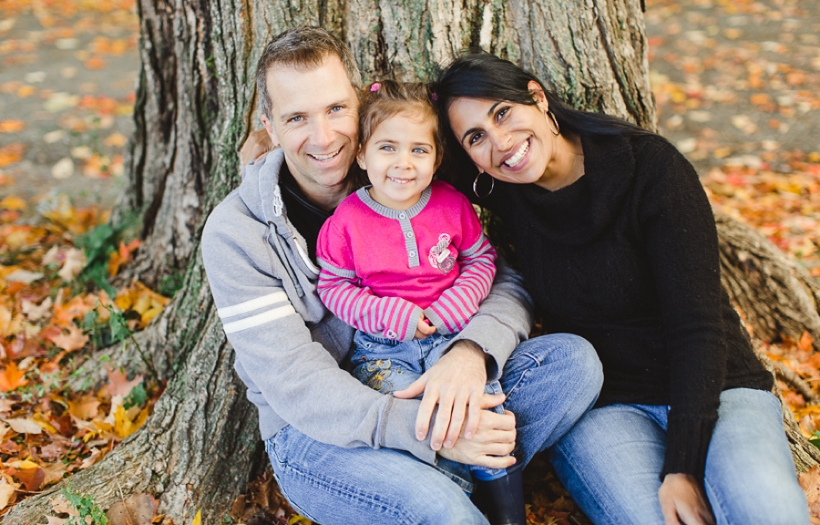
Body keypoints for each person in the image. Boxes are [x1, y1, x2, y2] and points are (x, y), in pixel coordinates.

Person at [201, 27, 603, 525]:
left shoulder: (403, 167)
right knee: (441, 511)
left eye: (334, 110)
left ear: (355, 103)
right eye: (296, 118)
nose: (324, 138)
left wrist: (470, 353)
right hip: (321, 433)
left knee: (573, 364)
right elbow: (294, 383)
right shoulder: (236, 234)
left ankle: (461, 469)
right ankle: (453, 478)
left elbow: (501, 277)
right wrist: (431, 426)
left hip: (438, 368)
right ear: (270, 126)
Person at [432, 52, 810, 525]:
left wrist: (683, 467)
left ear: (537, 97)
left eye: (503, 112)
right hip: (607, 407)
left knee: (765, 510)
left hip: (716, 386)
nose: (501, 142)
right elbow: (405, 153)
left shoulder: (651, 170)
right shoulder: (505, 186)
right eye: (476, 137)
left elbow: (698, 328)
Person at [315, 79, 524, 523]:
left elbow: (481, 260)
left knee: (485, 409)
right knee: (418, 421)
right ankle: (454, 501)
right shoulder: (346, 222)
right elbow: (333, 288)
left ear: (436, 157)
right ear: (361, 155)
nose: (403, 164)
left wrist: (454, 306)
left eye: (418, 150)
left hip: (454, 339)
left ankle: (506, 515)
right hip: (382, 352)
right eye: (388, 148)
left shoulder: (451, 205)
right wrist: (391, 316)